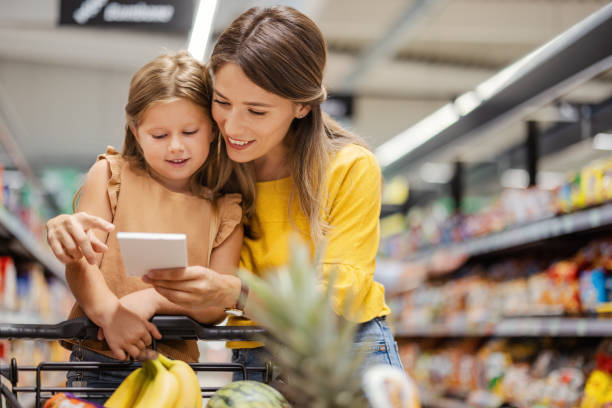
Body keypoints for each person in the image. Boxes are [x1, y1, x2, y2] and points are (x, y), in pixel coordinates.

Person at [47, 6, 405, 381]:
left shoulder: (348, 168)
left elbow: (335, 303)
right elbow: (135, 196)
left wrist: (235, 294)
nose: (233, 125)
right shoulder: (213, 166)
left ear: (301, 106)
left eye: (256, 110)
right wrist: (62, 227)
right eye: (222, 102)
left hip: (344, 351)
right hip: (253, 354)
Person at [49, 51, 253, 397]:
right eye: (159, 135)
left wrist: (155, 299)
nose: (175, 146)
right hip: (97, 363)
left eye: (190, 131)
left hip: (174, 379)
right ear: (136, 131)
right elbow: (83, 265)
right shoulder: (111, 176)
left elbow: (216, 306)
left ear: (214, 131)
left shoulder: (226, 209)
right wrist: (110, 314)